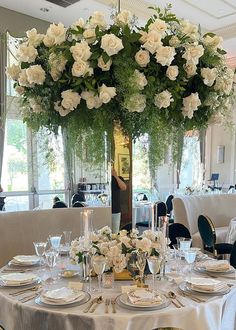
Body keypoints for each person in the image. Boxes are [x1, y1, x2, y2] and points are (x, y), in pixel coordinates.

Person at [111, 168, 127, 233]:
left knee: (115, 231)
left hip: (115, 209)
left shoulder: (118, 178)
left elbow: (124, 187)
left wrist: (115, 176)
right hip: (103, 209)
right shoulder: (102, 179)